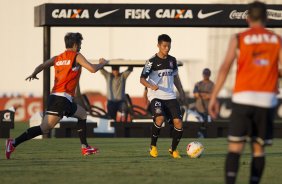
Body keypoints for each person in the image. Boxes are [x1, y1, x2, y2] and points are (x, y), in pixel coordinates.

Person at [208, 1, 282, 184]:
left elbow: (225, 67)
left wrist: (213, 97)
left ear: (248, 18)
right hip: (266, 100)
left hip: (243, 97)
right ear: (266, 18)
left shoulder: (239, 38)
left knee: (234, 148)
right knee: (258, 149)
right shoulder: (276, 40)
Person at [5, 32, 109, 159]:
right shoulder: (76, 55)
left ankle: (85, 147)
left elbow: (42, 65)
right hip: (61, 99)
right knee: (45, 128)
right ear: (75, 44)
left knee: (82, 114)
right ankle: (13, 143)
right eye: (80, 44)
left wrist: (34, 73)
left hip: (57, 97)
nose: (81, 47)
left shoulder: (58, 58)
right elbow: (92, 69)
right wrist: (102, 63)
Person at [140, 34, 186, 159]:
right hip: (156, 95)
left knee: (179, 123)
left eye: (169, 46)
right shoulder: (151, 62)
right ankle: (153, 146)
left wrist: (181, 91)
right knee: (159, 119)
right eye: (164, 46)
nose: (167, 48)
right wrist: (150, 85)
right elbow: (142, 79)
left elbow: (175, 77)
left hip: (170, 96)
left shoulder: (172, 60)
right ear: (158, 46)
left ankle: (173, 149)